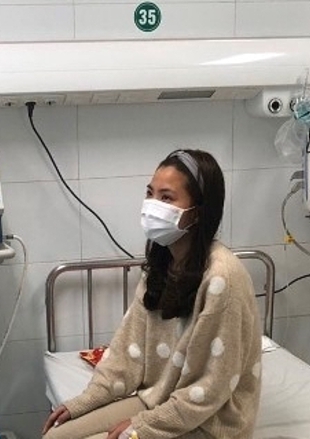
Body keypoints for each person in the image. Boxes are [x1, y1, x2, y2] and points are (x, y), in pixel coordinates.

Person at [42, 149, 262, 439]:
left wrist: (143, 428)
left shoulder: (223, 278)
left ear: (197, 211)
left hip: (211, 422)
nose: (152, 206)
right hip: (158, 399)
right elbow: (125, 354)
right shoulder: (162, 266)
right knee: (54, 437)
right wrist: (84, 402)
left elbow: (211, 389)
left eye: (167, 198)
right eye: (150, 194)